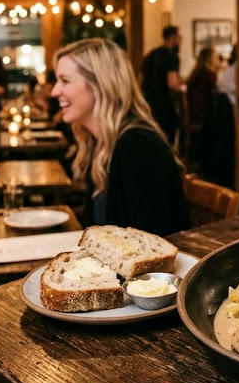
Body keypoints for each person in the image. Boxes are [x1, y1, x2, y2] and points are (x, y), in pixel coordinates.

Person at [52, 38, 189, 236]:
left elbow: (152, 246)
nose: (55, 91)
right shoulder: (101, 142)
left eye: (65, 80)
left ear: (99, 84)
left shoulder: (137, 147)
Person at [140, 25, 182, 143]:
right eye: (179, 37)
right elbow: (172, 83)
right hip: (164, 103)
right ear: (172, 37)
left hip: (148, 102)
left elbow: (141, 79)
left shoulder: (151, 54)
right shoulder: (172, 57)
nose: (181, 40)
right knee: (167, 137)